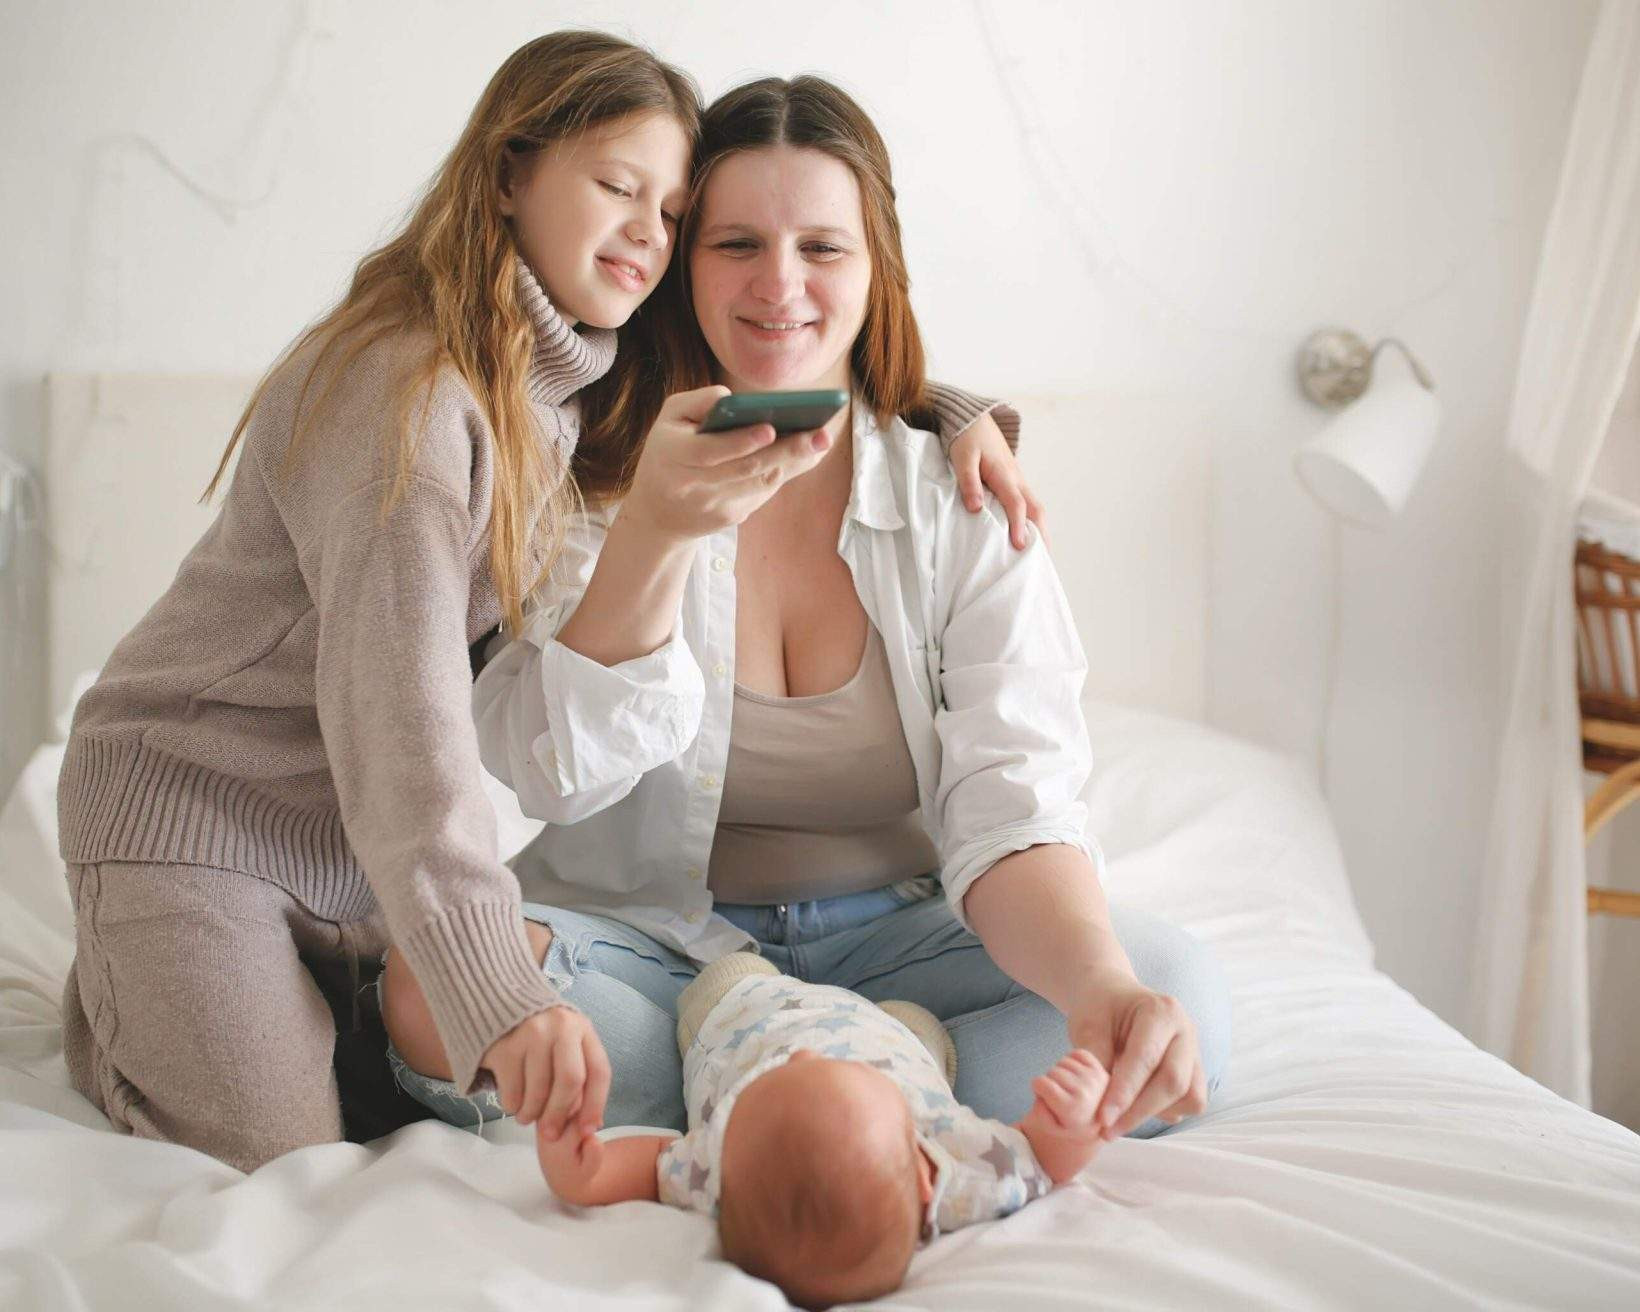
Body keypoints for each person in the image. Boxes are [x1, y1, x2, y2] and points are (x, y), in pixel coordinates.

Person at [56, 33, 1028, 1172]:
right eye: (616, 186)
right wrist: (500, 996)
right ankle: (125, 996)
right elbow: (404, 732)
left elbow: (803, 354)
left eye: (669, 213)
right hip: (209, 813)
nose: (644, 235)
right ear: (510, 172)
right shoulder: (408, 402)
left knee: (400, 1085)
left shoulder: (571, 368)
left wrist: (947, 418)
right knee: (280, 1165)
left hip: (357, 856)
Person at [380, 73, 1231, 1151]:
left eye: (821, 248)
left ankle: (753, 1107)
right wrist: (653, 533)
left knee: (1171, 987)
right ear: (680, 263)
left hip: (905, 941)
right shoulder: (577, 470)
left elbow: (1014, 807)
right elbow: (544, 776)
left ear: (877, 270)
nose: (777, 284)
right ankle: (876, 1091)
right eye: (734, 243)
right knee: (424, 982)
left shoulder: (958, 498)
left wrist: (1102, 987)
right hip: (648, 950)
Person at [535, 952, 1112, 1310]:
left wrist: (580, 1169)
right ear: (922, 1175)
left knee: (726, 974)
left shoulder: (725, 1167)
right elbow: (1041, 1160)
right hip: (896, 1034)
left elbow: (646, 1164)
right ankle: (900, 1015)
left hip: (751, 1013)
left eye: (778, 1079)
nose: (807, 1053)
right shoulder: (965, 1175)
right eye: (838, 1072)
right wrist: (1072, 1121)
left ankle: (725, 975)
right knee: (923, 1028)